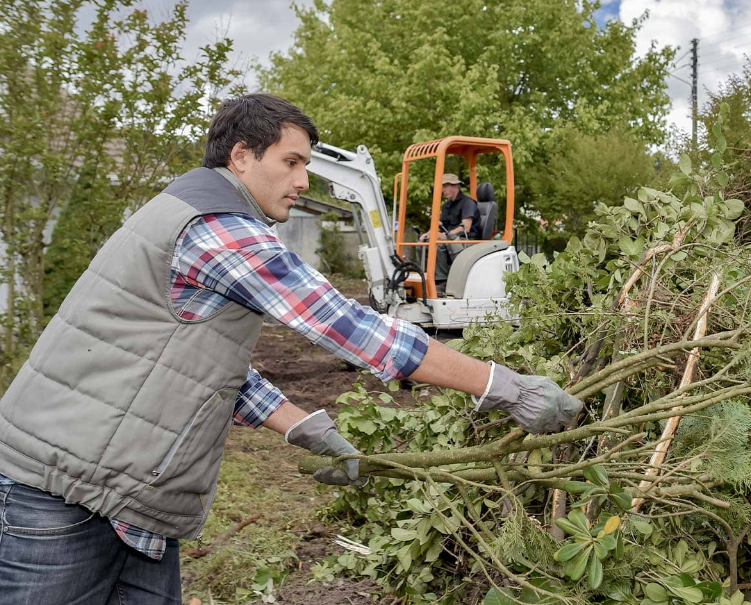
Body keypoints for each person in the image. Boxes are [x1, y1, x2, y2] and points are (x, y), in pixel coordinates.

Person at [0, 94, 581, 604]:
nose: (303, 181)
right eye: (292, 162)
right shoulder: (218, 227)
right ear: (242, 157)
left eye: (306, 164)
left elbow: (207, 362)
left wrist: (302, 426)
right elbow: (349, 327)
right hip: (62, 497)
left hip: (120, 501)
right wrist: (504, 386)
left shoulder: (199, 214)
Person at [418, 173, 481, 294]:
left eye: (445, 186)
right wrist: (427, 234)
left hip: (467, 240)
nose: (442, 190)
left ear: (455, 186)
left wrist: (445, 236)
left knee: (438, 245)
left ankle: (442, 281)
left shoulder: (468, 203)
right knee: (423, 244)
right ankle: (428, 277)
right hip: (451, 239)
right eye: (442, 186)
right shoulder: (447, 205)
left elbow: (465, 227)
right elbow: (439, 224)